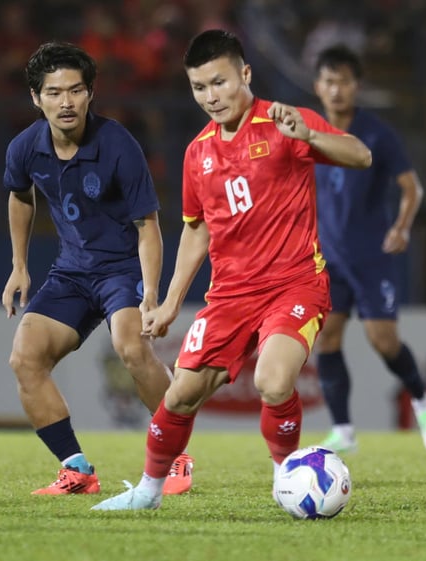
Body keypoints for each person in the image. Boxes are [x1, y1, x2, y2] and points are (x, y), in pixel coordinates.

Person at [92, 29, 372, 511]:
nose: (210, 97)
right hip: (230, 296)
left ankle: (286, 477)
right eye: (199, 87)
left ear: (244, 74)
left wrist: (309, 134)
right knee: (180, 394)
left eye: (219, 83)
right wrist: (171, 301)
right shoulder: (198, 153)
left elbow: (360, 155)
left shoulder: (285, 122)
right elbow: (197, 231)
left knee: (272, 380)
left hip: (295, 283)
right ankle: (148, 493)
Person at [1, 41, 193, 496]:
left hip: (121, 270)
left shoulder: (118, 145)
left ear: (91, 94)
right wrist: (19, 265)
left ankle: (178, 458)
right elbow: (20, 195)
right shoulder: (25, 148)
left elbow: (148, 225)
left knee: (131, 347)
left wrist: (149, 292)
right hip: (71, 272)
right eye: (54, 92)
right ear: (36, 97)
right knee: (24, 359)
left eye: (75, 90)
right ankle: (77, 470)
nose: (65, 102)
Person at [311, 44, 426, 453]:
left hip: (371, 256)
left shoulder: (377, 135)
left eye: (344, 82)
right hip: (327, 258)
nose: (336, 91)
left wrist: (402, 227)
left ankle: (424, 400)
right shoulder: (308, 130)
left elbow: (412, 188)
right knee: (327, 338)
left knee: (383, 339)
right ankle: (344, 432)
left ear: (357, 86)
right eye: (329, 82)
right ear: (318, 86)